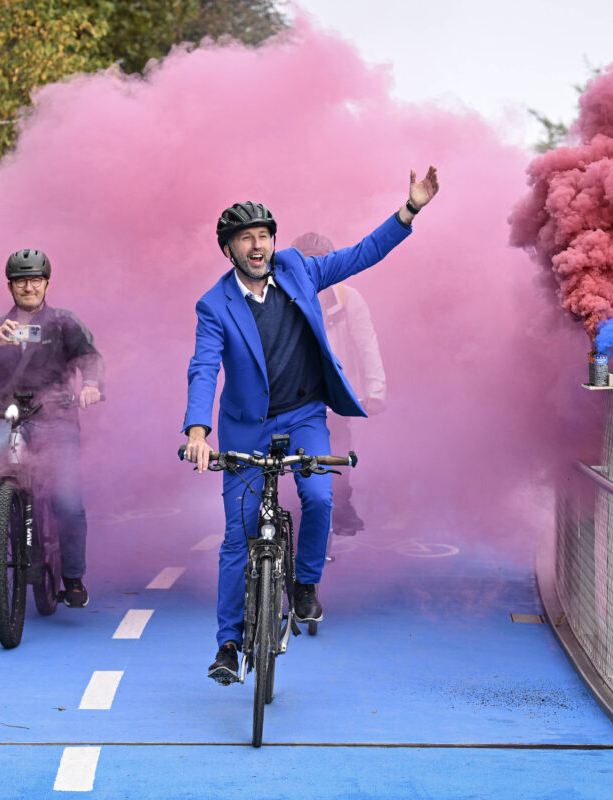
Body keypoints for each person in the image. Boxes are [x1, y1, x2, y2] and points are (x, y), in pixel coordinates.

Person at [183, 168, 439, 683]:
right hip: (243, 428)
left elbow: (361, 254)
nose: (257, 247)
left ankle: (304, 585)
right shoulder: (214, 305)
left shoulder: (299, 269)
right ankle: (229, 645)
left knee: (320, 498)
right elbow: (204, 366)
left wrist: (409, 210)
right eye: (245, 240)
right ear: (228, 250)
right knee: (240, 536)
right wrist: (197, 432)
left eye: (263, 236)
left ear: (273, 241)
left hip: (304, 415)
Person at [0, 249, 105, 608]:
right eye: (21, 280)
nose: (29, 286)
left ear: (46, 283)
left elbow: (92, 358)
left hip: (57, 417)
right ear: (10, 286)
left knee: (67, 502)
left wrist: (90, 385)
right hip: (9, 413)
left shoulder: (64, 323)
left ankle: (72, 576)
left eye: (35, 279)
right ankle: (2, 511)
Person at [292, 232, 388, 537]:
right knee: (290, 450)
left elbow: (366, 344)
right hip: (294, 391)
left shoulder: (349, 299)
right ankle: (294, 504)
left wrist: (375, 392)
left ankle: (342, 507)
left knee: (339, 447)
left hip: (334, 390)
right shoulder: (282, 296)